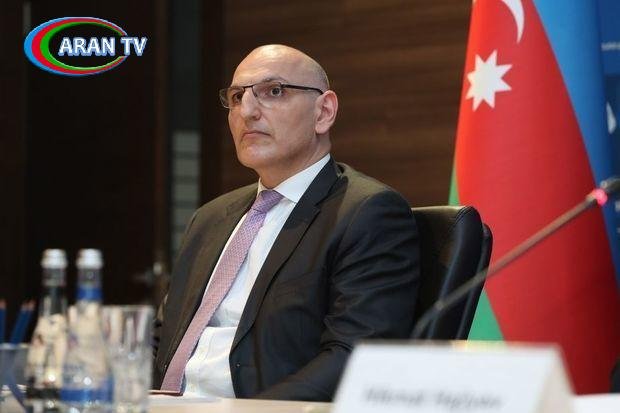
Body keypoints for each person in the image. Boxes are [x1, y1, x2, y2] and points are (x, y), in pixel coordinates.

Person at [153, 44, 420, 401]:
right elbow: (163, 336)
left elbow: (354, 356)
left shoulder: (367, 213)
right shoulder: (210, 217)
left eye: (274, 91)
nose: (247, 112)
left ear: (324, 111)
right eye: (237, 97)